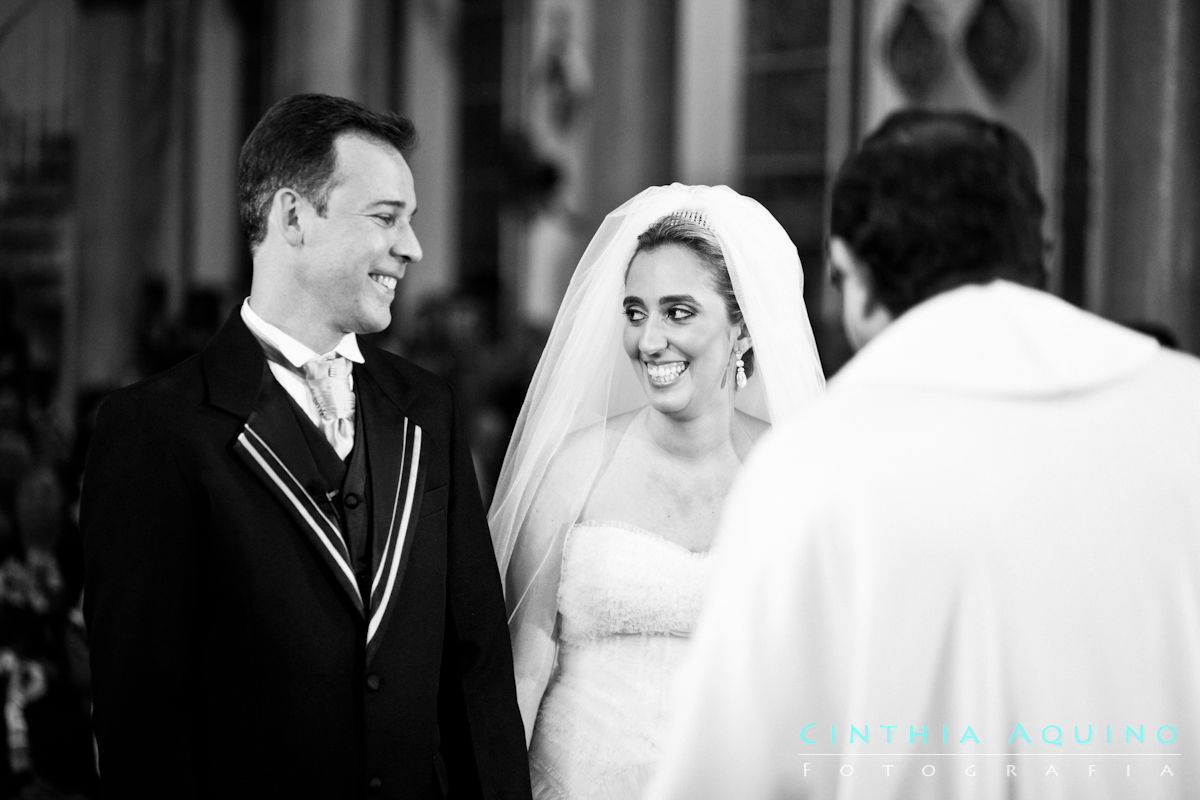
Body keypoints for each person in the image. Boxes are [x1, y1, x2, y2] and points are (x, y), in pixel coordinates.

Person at [648, 109, 1200, 800]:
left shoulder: (817, 465)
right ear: (1040, 255)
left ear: (854, 276)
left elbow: (729, 777)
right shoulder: (1189, 410)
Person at [81, 93, 531, 799]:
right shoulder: (154, 431)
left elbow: (473, 669)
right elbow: (142, 724)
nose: (412, 247)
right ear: (293, 217)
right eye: (386, 217)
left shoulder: (427, 409)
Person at [489, 184, 826, 797]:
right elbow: (523, 667)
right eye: (636, 312)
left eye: (678, 312)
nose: (648, 343)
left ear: (742, 329)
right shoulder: (577, 466)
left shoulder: (793, 472)